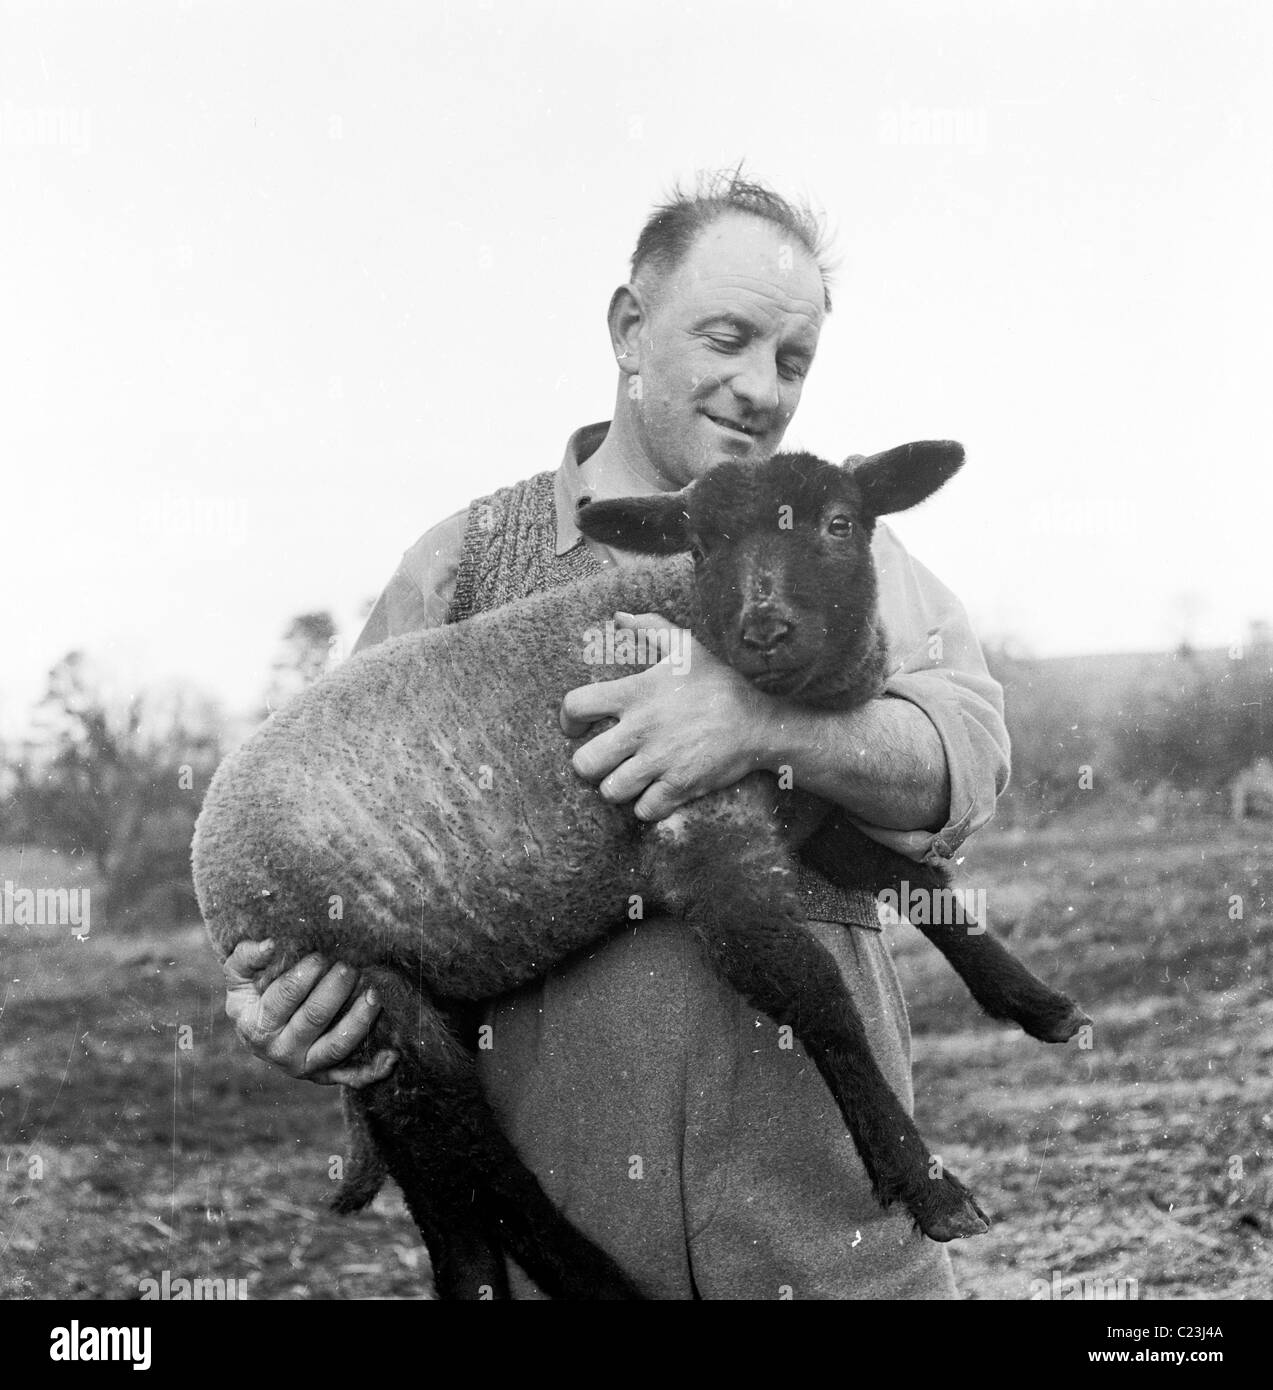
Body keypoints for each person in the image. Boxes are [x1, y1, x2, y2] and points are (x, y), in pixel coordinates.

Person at [222, 171, 1010, 1299]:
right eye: (727, 338)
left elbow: (966, 759)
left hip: (836, 1253)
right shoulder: (462, 566)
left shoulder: (849, 549)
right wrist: (273, 1007)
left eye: (791, 361)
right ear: (629, 328)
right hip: (575, 1266)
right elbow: (315, 847)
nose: (758, 388)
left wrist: (762, 723)